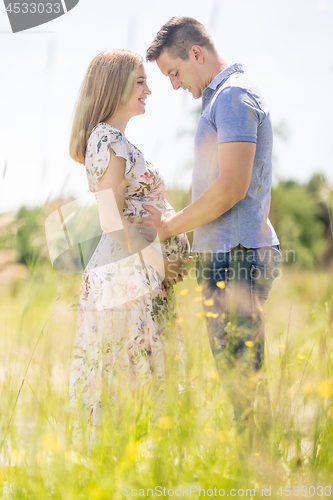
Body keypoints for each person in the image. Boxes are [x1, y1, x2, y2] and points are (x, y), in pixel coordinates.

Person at [137, 17, 281, 431]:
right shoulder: (219, 100)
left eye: (175, 72)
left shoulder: (234, 96)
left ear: (196, 53)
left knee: (244, 385)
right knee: (239, 381)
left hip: (236, 259)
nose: (174, 85)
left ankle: (261, 483)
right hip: (225, 257)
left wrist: (170, 225)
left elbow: (232, 186)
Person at [68, 49, 190, 437]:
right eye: (140, 81)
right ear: (115, 86)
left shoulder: (115, 139)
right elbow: (110, 221)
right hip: (128, 280)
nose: (149, 90)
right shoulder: (106, 139)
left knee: (140, 379)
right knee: (129, 382)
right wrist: (161, 264)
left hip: (139, 278)